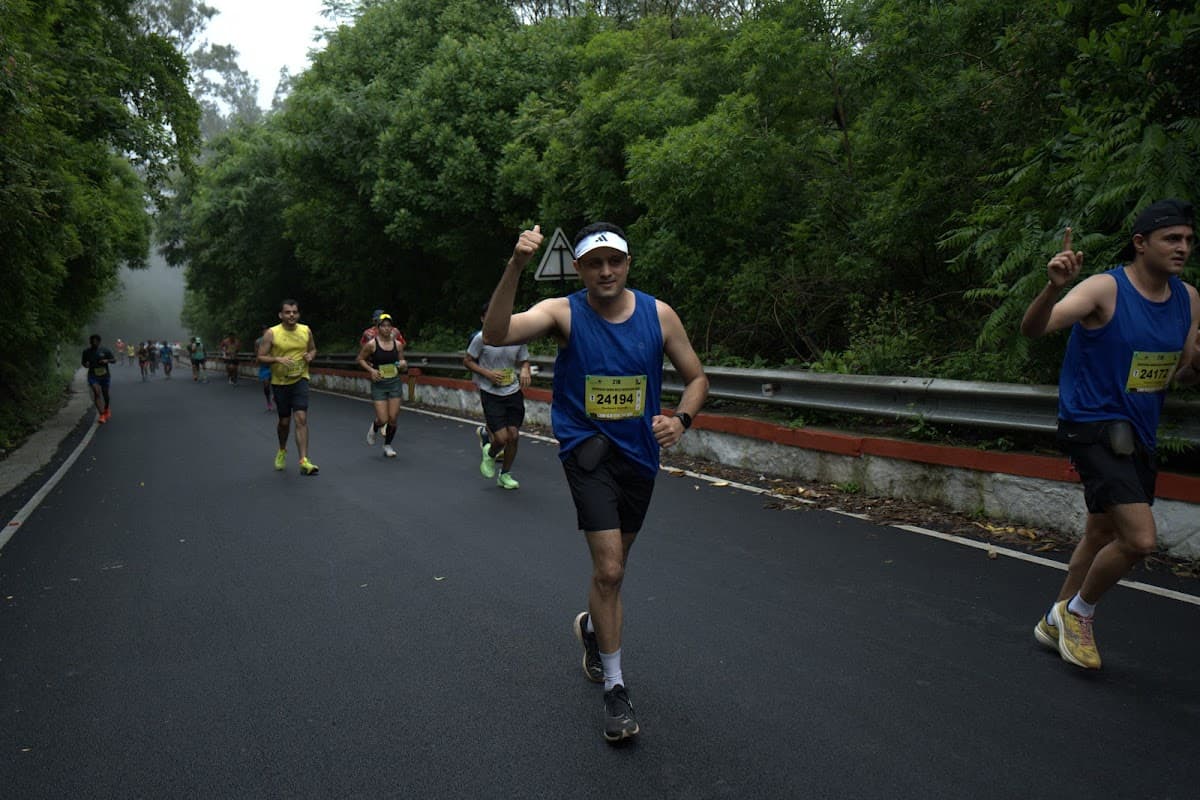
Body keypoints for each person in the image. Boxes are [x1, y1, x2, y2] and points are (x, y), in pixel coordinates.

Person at [482, 222, 709, 742]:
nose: (605, 271)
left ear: (628, 263)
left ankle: (591, 627)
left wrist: (681, 420)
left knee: (616, 571)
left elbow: (697, 377)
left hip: (640, 457)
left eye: (615, 261)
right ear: (580, 268)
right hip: (588, 452)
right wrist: (516, 263)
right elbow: (495, 334)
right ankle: (615, 688)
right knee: (608, 568)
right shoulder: (564, 312)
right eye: (594, 263)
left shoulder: (659, 314)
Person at [1020, 199, 1200, 671]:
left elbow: (1181, 374)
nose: (1182, 247)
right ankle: (1078, 613)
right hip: (1092, 425)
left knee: (1101, 530)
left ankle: (1053, 620)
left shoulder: (1189, 298)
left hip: (1139, 431)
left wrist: (1196, 365)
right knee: (1139, 540)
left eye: (1188, 239)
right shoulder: (1105, 288)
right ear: (1141, 243)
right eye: (1171, 239)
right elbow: (1035, 329)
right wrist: (1051, 289)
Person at [464, 302, 531, 489]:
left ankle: (505, 475)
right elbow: (467, 361)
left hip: (512, 391)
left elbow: (524, 360)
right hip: (490, 392)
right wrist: (487, 374)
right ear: (484, 319)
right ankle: (490, 453)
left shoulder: (518, 337)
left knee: (514, 436)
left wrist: (525, 369)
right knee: (501, 439)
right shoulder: (481, 338)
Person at [257, 299, 320, 475]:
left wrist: (310, 356)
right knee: (284, 422)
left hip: (300, 379)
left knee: (301, 418)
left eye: (294, 312)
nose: (291, 315)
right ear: (281, 315)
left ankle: (304, 461)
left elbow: (314, 349)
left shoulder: (305, 330)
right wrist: (277, 359)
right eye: (287, 312)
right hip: (280, 382)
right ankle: (282, 450)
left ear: (298, 314)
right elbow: (260, 357)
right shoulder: (272, 333)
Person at [356, 313, 408, 458]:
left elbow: (402, 363)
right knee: (383, 419)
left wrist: (403, 364)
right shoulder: (372, 344)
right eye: (383, 326)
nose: (386, 329)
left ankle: (387, 445)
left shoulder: (397, 345)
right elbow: (360, 359)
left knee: (393, 418)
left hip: (394, 383)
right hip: (379, 384)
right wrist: (371, 370)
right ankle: (375, 426)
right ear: (378, 328)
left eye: (388, 326)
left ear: (392, 328)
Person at [81, 334, 116, 423]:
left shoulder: (105, 350)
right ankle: (102, 415)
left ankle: (107, 408)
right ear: (90, 342)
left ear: (99, 342)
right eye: (92, 341)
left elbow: (114, 360)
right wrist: (86, 365)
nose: (94, 342)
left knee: (105, 395)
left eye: (96, 341)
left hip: (105, 375)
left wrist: (107, 360)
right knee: (97, 393)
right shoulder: (86, 352)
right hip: (93, 375)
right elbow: (83, 363)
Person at [254, 325, 274, 411]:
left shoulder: (274, 339)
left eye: (267, 330)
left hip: (274, 364)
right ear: (262, 332)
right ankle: (268, 401)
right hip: (264, 366)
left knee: (277, 384)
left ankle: (276, 397)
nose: (266, 332)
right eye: (264, 331)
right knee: (266, 385)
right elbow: (256, 353)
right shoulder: (258, 341)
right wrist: (257, 359)